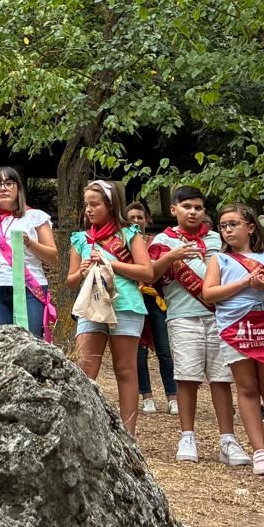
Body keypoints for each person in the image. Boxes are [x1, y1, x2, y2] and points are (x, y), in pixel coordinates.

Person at [150, 187, 252, 468]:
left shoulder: (219, 240)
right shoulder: (163, 241)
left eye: (198, 207)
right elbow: (150, 275)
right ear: (174, 210)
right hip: (183, 315)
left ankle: (228, 439)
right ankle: (187, 436)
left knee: (221, 378)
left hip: (220, 316)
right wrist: (172, 256)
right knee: (187, 377)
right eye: (186, 206)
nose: (193, 212)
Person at [203, 203, 264, 477]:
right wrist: (245, 283)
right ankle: (260, 451)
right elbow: (210, 294)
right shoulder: (219, 260)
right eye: (223, 226)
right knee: (246, 387)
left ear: (251, 227)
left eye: (233, 224)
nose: (227, 230)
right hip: (235, 326)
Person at [68, 180, 154, 435]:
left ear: (110, 204)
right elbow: (71, 281)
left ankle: (128, 434)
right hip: (90, 305)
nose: (89, 210)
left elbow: (146, 272)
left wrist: (111, 262)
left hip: (125, 304)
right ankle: (81, 429)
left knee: (125, 368)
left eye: (94, 204)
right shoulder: (80, 239)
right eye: (86, 205)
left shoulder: (130, 234)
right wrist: (81, 271)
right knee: (85, 367)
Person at [0, 166, 56, 337]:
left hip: (30, 288)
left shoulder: (36, 216)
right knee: (0, 344)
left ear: (18, 187)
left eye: (9, 183)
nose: (3, 188)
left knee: (31, 343)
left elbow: (53, 256)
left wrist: (30, 243)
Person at [126, 200, 177, 416]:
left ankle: (173, 397)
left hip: (157, 300)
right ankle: (146, 396)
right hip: (133, 299)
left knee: (165, 350)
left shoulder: (157, 243)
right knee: (138, 351)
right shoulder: (122, 244)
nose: (137, 221)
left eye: (140, 217)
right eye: (132, 218)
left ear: (147, 219)